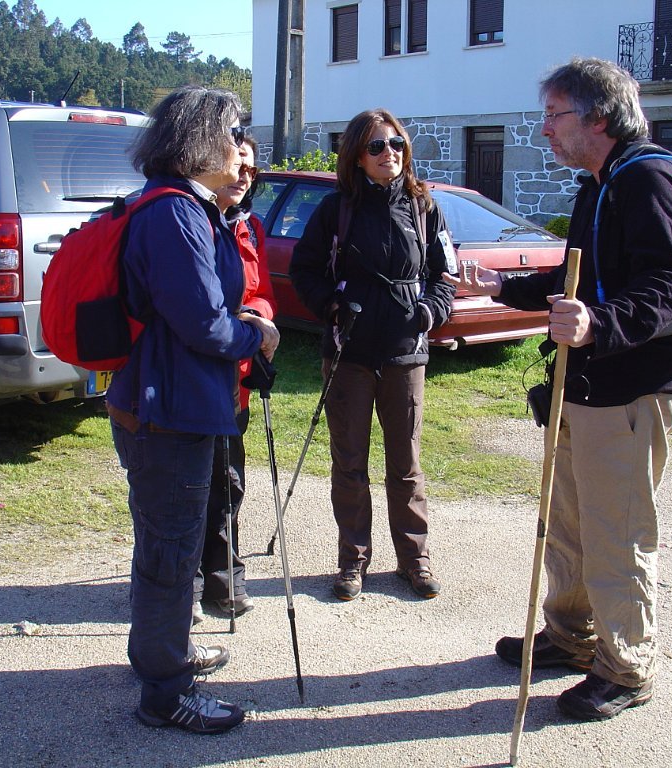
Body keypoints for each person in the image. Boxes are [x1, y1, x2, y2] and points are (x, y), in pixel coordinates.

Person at [447, 57, 672, 721]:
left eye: (555, 116)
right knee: (569, 524)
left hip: (631, 392)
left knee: (617, 535)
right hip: (584, 386)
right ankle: (571, 636)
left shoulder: (649, 179)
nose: (545, 130)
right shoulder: (600, 183)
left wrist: (597, 325)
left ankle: (626, 668)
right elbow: (575, 278)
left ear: (599, 117)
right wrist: (504, 287)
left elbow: (667, 288)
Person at [106, 86, 279, 734]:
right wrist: (256, 337)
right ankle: (164, 691)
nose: (240, 149)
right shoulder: (175, 212)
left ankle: (164, 654)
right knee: (171, 552)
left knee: (166, 544)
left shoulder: (185, 207)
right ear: (199, 140)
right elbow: (203, 324)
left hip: (169, 402)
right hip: (168, 410)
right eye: (232, 134)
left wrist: (239, 325)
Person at [290, 108, 456, 602]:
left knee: (406, 465)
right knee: (350, 463)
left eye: (397, 144)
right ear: (357, 156)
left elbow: (445, 274)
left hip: (406, 353)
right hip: (350, 354)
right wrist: (332, 306)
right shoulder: (336, 208)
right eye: (377, 146)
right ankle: (353, 560)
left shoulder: (425, 208)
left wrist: (428, 312)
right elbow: (304, 270)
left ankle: (414, 559)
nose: (390, 154)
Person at [193, 136, 276, 621]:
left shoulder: (250, 227)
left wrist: (258, 317)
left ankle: (225, 579)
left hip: (237, 379)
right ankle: (186, 586)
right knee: (188, 485)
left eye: (251, 169)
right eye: (236, 165)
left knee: (228, 482)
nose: (244, 176)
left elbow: (263, 292)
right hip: (193, 376)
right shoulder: (191, 220)